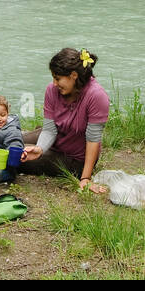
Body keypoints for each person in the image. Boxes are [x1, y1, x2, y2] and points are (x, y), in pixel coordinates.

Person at [18, 47, 109, 190]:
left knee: (12, 152)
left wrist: (85, 178)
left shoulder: (96, 96)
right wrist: (40, 149)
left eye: (57, 78)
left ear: (73, 75)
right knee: (10, 138)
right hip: (57, 136)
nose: (54, 83)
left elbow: (93, 139)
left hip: (74, 159)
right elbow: (49, 130)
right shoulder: (52, 90)